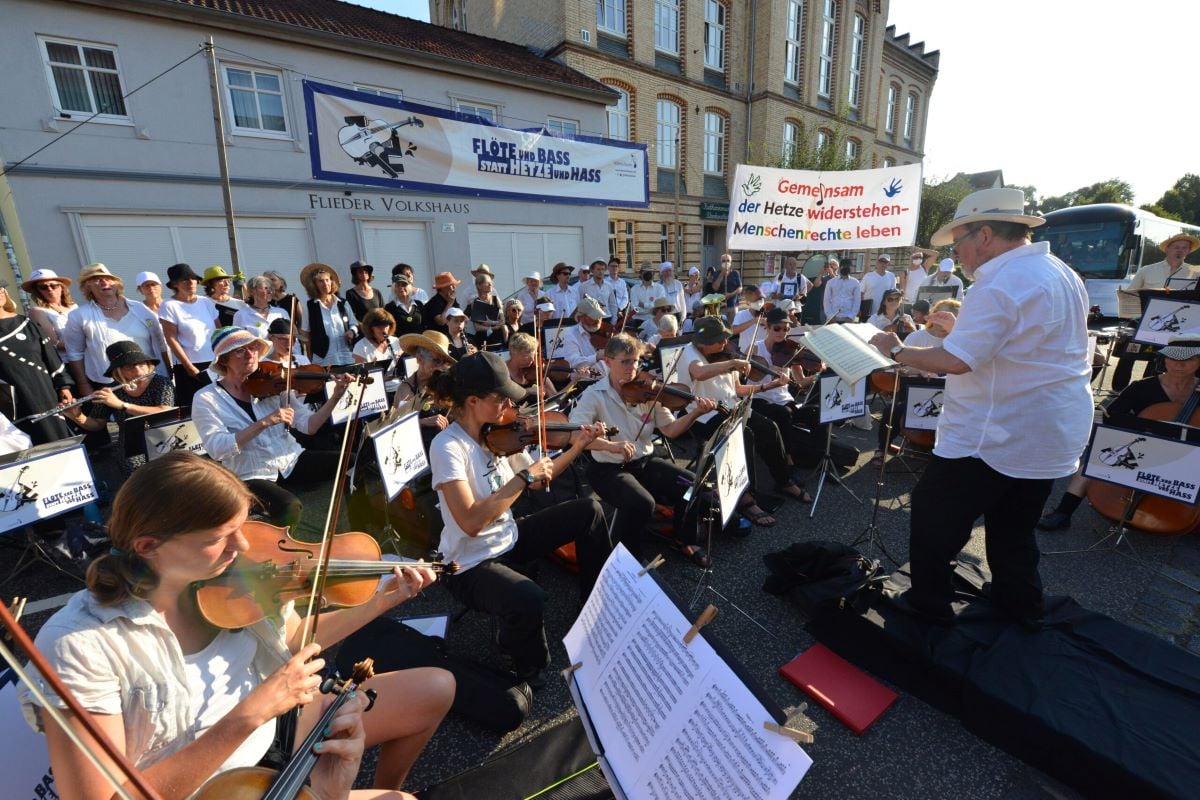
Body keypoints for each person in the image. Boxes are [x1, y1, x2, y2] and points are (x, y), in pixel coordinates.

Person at [20, 450, 453, 799]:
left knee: (436, 688)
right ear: (149, 546)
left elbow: (292, 639)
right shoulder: (80, 644)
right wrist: (252, 712)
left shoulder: (231, 576)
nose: (242, 545)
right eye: (218, 538)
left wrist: (385, 599)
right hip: (213, 786)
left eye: (241, 527)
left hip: (274, 735)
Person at [869, 187, 1093, 629]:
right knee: (1013, 528)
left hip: (997, 434)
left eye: (959, 244)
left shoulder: (1000, 282)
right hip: (1050, 431)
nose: (960, 256)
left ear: (985, 234)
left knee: (934, 517)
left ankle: (928, 607)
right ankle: (1020, 605)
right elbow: (1024, 343)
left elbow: (956, 361)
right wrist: (960, 330)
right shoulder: (1059, 270)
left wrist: (897, 352)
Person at [429, 351, 609, 686]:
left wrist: (577, 445)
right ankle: (523, 661)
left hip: (508, 536)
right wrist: (522, 478)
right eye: (501, 399)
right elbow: (470, 521)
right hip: (469, 563)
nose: (510, 405)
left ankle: (594, 600)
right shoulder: (447, 447)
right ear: (472, 401)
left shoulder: (499, 434)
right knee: (528, 595)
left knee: (590, 511)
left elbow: (541, 477)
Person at [569, 334, 717, 566]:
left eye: (636, 361)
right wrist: (611, 445)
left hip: (644, 462)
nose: (632, 367)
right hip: (608, 469)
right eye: (625, 362)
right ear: (608, 362)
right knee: (641, 503)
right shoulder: (593, 396)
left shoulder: (649, 391)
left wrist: (695, 413)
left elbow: (669, 429)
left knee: (692, 487)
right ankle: (630, 555)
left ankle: (684, 538)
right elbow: (575, 436)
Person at [193, 327, 350, 529]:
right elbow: (217, 449)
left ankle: (359, 522)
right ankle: (279, 555)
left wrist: (336, 396)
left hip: (289, 460)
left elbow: (309, 426)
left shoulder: (274, 381)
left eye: (253, 347)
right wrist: (264, 422)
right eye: (240, 351)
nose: (250, 354)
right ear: (224, 360)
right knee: (289, 507)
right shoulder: (206, 398)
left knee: (352, 462)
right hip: (250, 473)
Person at [1038, 336, 1200, 531]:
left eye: (1188, 360)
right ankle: (1063, 512)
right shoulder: (1140, 387)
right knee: (1096, 458)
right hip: (1142, 446)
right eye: (1172, 358)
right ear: (1164, 359)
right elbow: (1112, 418)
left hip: (1187, 455)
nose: (1178, 364)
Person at [680, 316, 810, 524]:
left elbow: (738, 390)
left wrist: (768, 386)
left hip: (731, 408)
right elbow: (699, 373)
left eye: (725, 338)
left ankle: (783, 480)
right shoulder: (689, 352)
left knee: (769, 428)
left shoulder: (721, 354)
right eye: (720, 340)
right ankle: (745, 497)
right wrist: (731, 363)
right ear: (703, 342)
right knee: (744, 437)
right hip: (704, 414)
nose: (725, 343)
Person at [61, 341, 175, 477]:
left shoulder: (161, 382)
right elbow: (97, 424)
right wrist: (77, 416)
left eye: (141, 364)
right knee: (136, 473)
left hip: (163, 436)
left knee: (171, 469)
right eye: (129, 367)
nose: (138, 371)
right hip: (131, 443)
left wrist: (122, 405)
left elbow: (165, 411)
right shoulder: (110, 391)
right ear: (118, 370)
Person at [869, 299, 960, 465]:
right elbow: (899, 368)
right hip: (915, 390)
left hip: (948, 394)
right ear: (932, 317)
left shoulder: (958, 340)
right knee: (892, 411)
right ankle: (882, 448)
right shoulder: (917, 337)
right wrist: (920, 370)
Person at [1111, 233, 1200, 390]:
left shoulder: (1195, 272)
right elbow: (1131, 294)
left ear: (1189, 251)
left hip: (1175, 323)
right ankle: (1118, 391)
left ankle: (1150, 390)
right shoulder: (1147, 270)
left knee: (1160, 359)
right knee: (1128, 355)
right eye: (1176, 247)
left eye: (1184, 247)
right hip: (1143, 320)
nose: (1180, 250)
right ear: (1167, 249)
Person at [67, 263, 169, 399]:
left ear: (116, 283)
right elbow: (75, 353)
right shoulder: (79, 316)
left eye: (108, 278)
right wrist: (83, 384)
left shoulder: (141, 309)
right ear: (87, 286)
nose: (104, 282)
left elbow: (161, 343)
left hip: (151, 379)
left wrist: (169, 372)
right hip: (110, 386)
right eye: (96, 279)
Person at [749, 307, 822, 482]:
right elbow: (746, 380)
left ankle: (819, 459)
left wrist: (817, 376)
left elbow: (799, 383)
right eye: (777, 328)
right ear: (767, 326)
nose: (782, 333)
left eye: (786, 329)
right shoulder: (755, 349)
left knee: (817, 413)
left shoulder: (791, 350)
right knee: (784, 414)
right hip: (760, 399)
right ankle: (787, 459)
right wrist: (769, 371)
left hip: (784, 400)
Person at [0, 281, 73, 443]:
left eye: (1, 289)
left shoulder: (26, 324)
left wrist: (64, 385)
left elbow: (50, 356)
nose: (0, 293)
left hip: (44, 392)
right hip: (11, 403)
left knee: (57, 439)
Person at [159, 262, 220, 406]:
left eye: (193, 278)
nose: (190, 282)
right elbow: (171, 338)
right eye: (184, 279)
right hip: (189, 366)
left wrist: (223, 357)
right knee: (195, 407)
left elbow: (219, 331)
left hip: (214, 362)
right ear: (175, 284)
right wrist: (189, 366)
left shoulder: (206, 302)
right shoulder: (168, 305)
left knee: (220, 404)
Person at [395, 330, 456, 451]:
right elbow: (398, 427)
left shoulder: (445, 382)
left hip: (449, 445)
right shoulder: (407, 388)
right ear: (419, 359)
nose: (441, 366)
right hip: (420, 451)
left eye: (444, 362)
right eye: (437, 361)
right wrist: (424, 421)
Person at [301, 263, 357, 367]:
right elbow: (306, 336)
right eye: (321, 281)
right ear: (314, 285)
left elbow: (354, 324)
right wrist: (310, 360)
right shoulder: (309, 306)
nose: (325, 283)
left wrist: (352, 331)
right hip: (324, 360)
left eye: (327, 280)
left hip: (347, 357)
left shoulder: (343, 303)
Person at [23, 269, 77, 353]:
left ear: (61, 287)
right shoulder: (37, 312)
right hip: (68, 360)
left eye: (53, 285)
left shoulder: (73, 306)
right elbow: (54, 343)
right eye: (43, 287)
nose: (50, 289)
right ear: (37, 291)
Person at [234, 274, 291, 339]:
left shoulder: (281, 313)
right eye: (266, 288)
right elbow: (237, 342)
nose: (270, 292)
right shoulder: (241, 315)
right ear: (252, 291)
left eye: (271, 289)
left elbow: (293, 340)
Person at [559, 296, 607, 371]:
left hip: (608, 378)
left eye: (599, 316)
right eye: (593, 317)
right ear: (581, 318)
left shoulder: (606, 332)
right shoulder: (571, 335)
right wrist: (596, 357)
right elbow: (573, 362)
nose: (598, 320)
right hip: (586, 380)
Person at [505, 332, 556, 402]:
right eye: (526, 356)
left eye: (534, 355)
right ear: (514, 352)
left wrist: (573, 382)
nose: (532, 360)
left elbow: (554, 396)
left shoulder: (535, 370)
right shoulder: (502, 371)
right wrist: (527, 391)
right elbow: (503, 402)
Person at [466, 269, 503, 350]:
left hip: (497, 338)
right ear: (479, 285)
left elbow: (502, 321)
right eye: (487, 283)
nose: (490, 285)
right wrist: (492, 327)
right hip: (482, 339)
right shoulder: (475, 302)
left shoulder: (495, 300)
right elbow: (477, 327)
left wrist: (492, 322)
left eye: (491, 282)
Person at [385, 266, 424, 338]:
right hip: (401, 345)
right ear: (394, 288)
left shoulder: (419, 304)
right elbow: (389, 329)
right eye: (398, 285)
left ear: (409, 287)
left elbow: (425, 325)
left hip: (420, 344)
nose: (401, 288)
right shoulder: (389, 308)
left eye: (404, 285)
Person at [730, 284, 767, 354]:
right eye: (756, 300)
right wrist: (754, 320)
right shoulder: (741, 314)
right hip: (745, 353)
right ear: (748, 301)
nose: (759, 302)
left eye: (761, 299)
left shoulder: (767, 313)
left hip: (763, 354)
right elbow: (733, 331)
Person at [859, 255, 898, 321]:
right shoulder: (868, 276)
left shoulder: (891, 276)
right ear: (877, 262)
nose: (883, 264)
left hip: (884, 313)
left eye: (885, 262)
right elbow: (861, 293)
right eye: (881, 262)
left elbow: (893, 294)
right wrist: (859, 308)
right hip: (868, 311)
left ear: (888, 264)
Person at [345, 261, 383, 326]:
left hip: (379, 329)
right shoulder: (351, 293)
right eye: (360, 271)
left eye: (366, 271)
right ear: (355, 275)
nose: (363, 273)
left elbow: (383, 312)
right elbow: (352, 316)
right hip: (363, 331)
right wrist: (365, 329)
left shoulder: (377, 292)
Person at [801, 257, 837, 325]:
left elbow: (838, 284)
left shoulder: (839, 278)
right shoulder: (824, 278)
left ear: (837, 267)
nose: (831, 266)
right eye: (829, 264)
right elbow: (816, 285)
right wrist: (821, 273)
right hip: (824, 309)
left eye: (833, 264)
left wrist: (831, 273)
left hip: (835, 309)